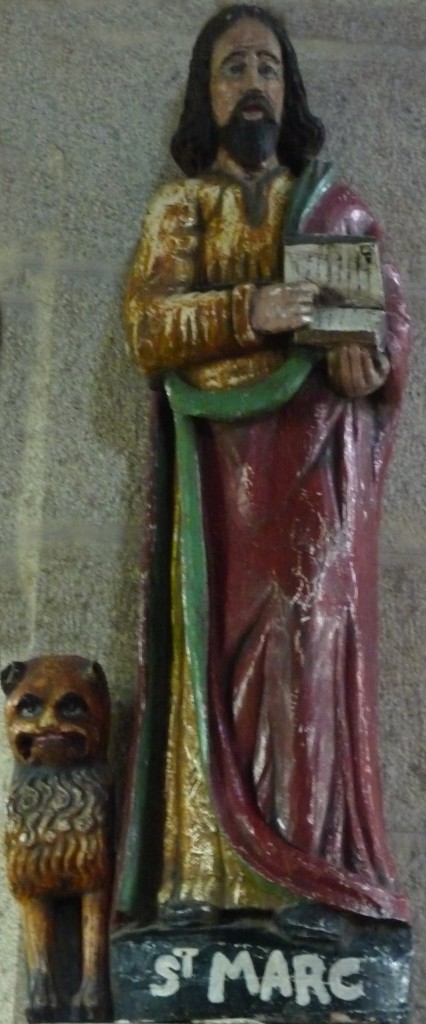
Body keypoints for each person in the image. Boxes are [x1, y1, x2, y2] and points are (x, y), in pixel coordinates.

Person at [114, 3, 411, 931]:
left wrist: (373, 363)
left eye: (269, 68)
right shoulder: (183, 209)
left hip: (317, 471)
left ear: (290, 93)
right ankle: (213, 879)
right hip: (222, 483)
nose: (254, 84)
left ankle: (312, 879)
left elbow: (387, 323)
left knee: (310, 650)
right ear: (206, 93)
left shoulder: (331, 206)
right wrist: (253, 310)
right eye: (234, 68)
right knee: (219, 662)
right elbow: (148, 328)